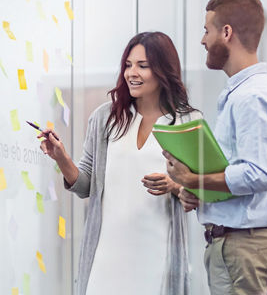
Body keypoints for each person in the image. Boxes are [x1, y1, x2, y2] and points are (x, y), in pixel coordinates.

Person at [38, 32, 202, 295]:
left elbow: (202, 194)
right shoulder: (105, 118)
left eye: (142, 66)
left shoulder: (188, 122)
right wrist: (61, 157)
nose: (131, 73)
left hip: (158, 255)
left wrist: (174, 185)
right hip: (106, 257)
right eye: (128, 64)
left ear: (163, 70)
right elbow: (84, 186)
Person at [163, 0, 267, 295]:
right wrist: (196, 192)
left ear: (227, 33)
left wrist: (194, 179)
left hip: (244, 247)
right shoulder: (241, 94)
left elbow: (257, 174)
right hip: (233, 244)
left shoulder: (252, 97)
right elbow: (237, 171)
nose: (203, 40)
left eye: (207, 30)